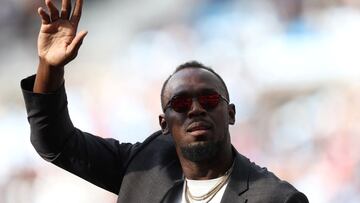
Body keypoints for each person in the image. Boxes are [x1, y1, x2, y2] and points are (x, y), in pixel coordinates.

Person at [21, 0, 309, 202]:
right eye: (181, 105)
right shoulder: (144, 165)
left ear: (230, 113)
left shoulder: (275, 198)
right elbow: (54, 142)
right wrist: (50, 67)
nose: (196, 110)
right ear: (163, 123)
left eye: (209, 99)